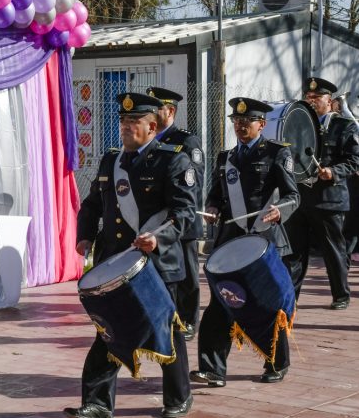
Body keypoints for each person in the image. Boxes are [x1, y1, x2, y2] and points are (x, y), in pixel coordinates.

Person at [65, 93, 196, 418]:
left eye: (133, 121)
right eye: (123, 121)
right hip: (115, 263)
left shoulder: (173, 160)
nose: (125, 127)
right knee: (107, 330)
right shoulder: (112, 161)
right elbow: (93, 204)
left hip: (156, 264)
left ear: (152, 126)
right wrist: (85, 236)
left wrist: (159, 237)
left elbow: (185, 212)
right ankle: (97, 403)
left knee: (167, 331)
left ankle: (178, 398)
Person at [190, 97, 299, 387]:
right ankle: (212, 368)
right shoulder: (226, 157)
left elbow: (292, 196)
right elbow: (215, 194)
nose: (240, 126)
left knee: (267, 305)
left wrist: (280, 211)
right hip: (231, 241)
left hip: (264, 241)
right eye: (236, 121)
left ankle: (276, 363)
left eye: (246, 121)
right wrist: (212, 208)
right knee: (220, 304)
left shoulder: (277, 153)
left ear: (261, 124)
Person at [282, 77, 359, 310]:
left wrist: (333, 172)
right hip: (301, 197)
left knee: (333, 250)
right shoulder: (299, 124)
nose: (312, 101)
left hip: (329, 198)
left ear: (330, 101)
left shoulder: (344, 126)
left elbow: (354, 160)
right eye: (308, 97)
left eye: (317, 98)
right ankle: (290, 297)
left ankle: (341, 295)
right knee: (294, 252)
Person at [147, 86, 204, 341]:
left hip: (183, 220)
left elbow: (195, 181)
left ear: (170, 111)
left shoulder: (186, 141)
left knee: (188, 274)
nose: (150, 113)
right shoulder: (148, 139)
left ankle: (189, 320)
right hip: (157, 222)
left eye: (155, 107)